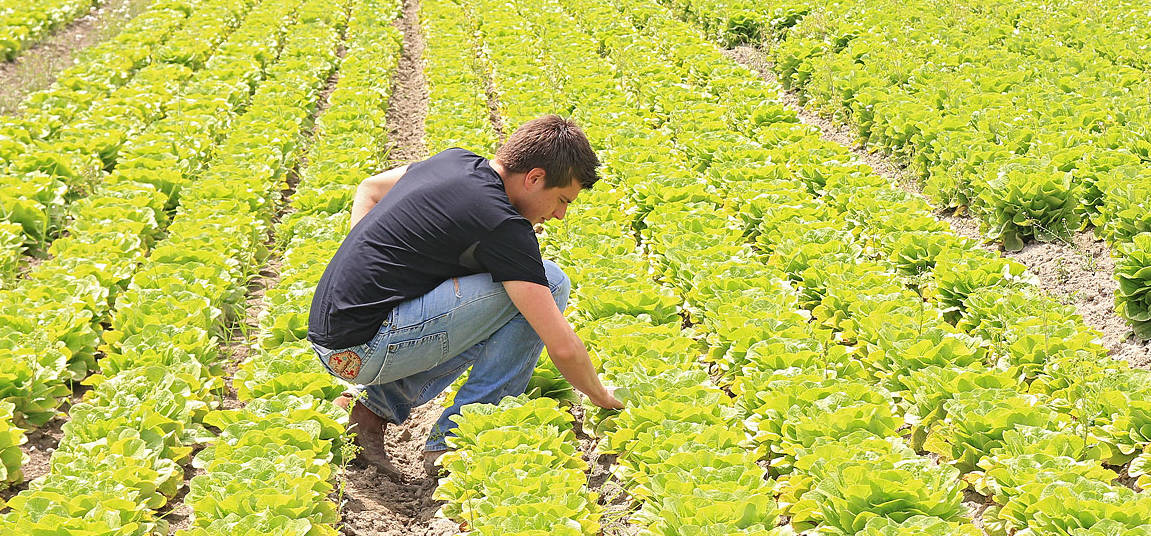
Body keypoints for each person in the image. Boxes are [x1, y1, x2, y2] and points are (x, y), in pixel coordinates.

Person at [307, 115, 624, 479]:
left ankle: (370, 411)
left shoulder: (453, 161)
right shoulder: (502, 225)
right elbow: (562, 346)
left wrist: (364, 261)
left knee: (496, 290)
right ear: (534, 178)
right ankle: (457, 439)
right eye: (562, 199)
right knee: (550, 283)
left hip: (333, 337)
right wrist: (601, 397)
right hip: (364, 350)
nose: (559, 214)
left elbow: (370, 187)